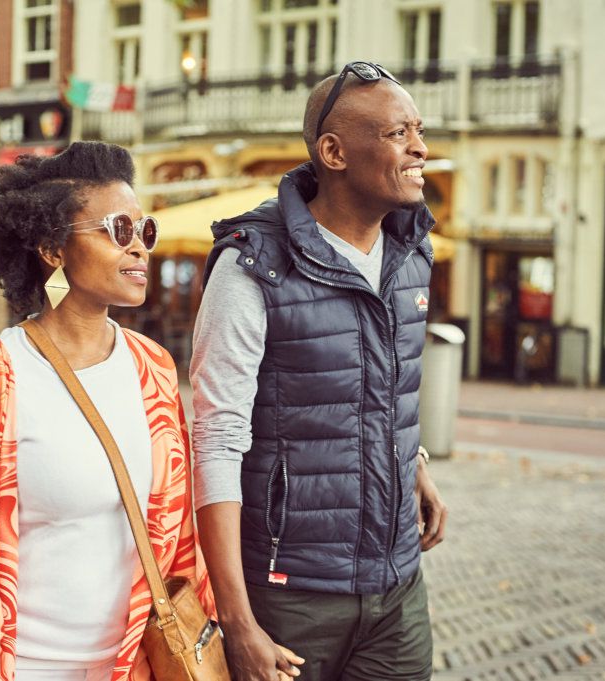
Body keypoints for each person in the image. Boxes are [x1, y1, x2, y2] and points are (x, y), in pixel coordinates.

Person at [0, 142, 213, 681]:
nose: (140, 248)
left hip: (136, 665)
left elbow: (180, 539)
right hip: (25, 668)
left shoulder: (154, 370)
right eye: (119, 230)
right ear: (52, 249)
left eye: (146, 231)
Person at [190, 62, 449, 681]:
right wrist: (238, 621)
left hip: (397, 588)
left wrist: (412, 465)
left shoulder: (413, 252)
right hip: (289, 593)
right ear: (333, 152)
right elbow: (216, 441)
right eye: (397, 134)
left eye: (418, 129)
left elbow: (379, 387)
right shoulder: (253, 265)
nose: (421, 148)